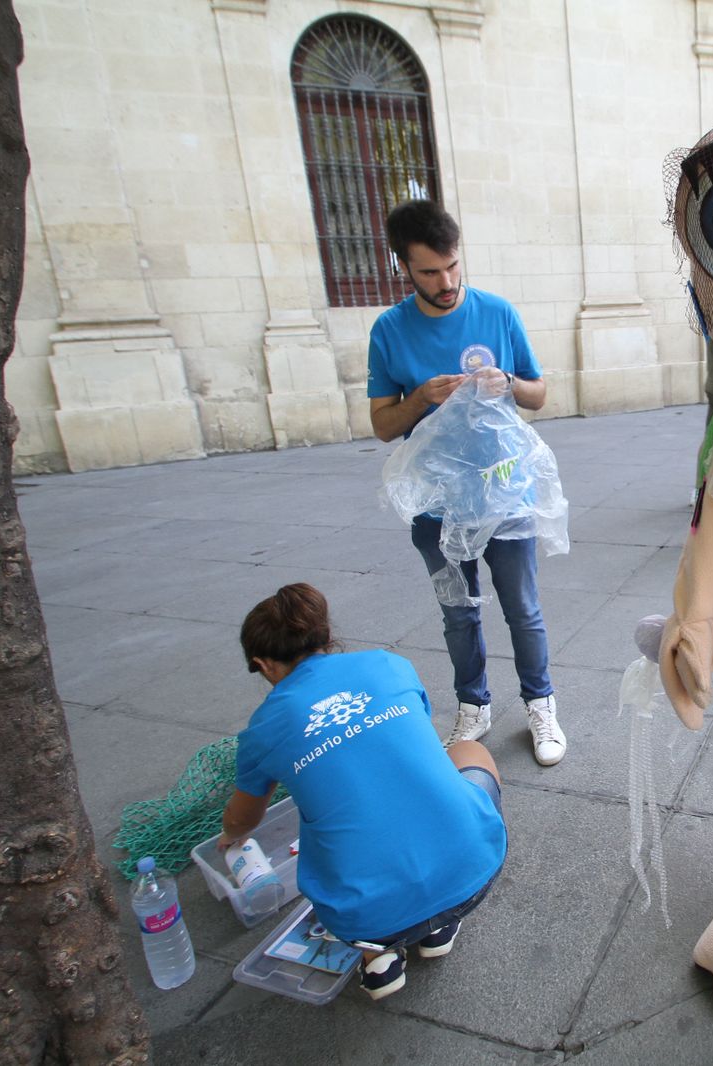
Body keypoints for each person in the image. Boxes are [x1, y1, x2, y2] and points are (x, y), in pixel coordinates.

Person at [220, 583, 507, 1000]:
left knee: (337, 831)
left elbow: (243, 819)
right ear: (325, 635)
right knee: (468, 750)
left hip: (362, 917)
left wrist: (231, 837)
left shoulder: (262, 730)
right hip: (472, 870)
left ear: (263, 664)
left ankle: (378, 957)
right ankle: (438, 926)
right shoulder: (389, 665)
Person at [367, 199, 567, 765]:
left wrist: (508, 382)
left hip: (506, 491)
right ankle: (472, 706)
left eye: (453, 265)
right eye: (430, 272)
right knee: (459, 612)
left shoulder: (497, 312)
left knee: (522, 609)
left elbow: (539, 393)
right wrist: (419, 400)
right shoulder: (389, 331)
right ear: (403, 268)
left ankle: (541, 705)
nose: (447, 281)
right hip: (437, 503)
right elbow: (382, 425)